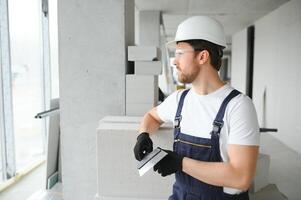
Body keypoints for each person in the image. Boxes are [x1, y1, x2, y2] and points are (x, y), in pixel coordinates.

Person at [133, 16, 260, 200]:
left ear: (202, 56)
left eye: (180, 53)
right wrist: (143, 135)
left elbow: (241, 177)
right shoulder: (180, 100)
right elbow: (152, 117)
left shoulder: (238, 106)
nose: (174, 61)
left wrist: (181, 163)